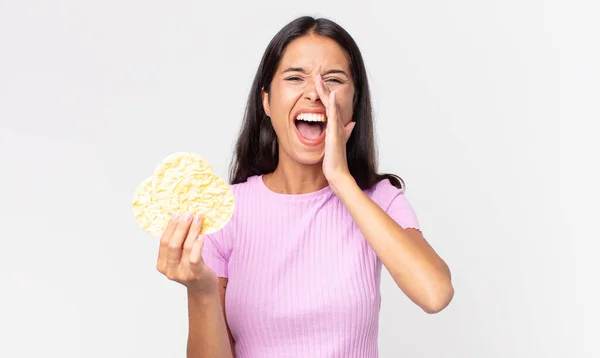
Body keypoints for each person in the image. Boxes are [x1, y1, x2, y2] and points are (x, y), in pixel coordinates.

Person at [156, 16, 454, 358]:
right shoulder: (225, 214)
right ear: (267, 101)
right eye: (295, 77)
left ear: (353, 103)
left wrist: (341, 180)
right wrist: (201, 290)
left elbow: (435, 293)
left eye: (334, 79)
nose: (315, 92)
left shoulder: (379, 201)